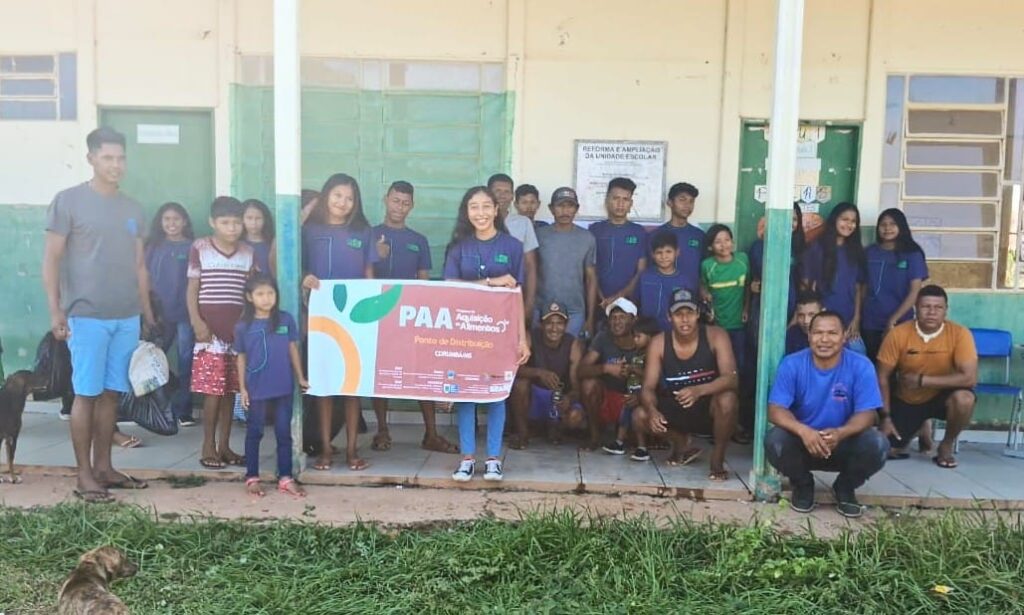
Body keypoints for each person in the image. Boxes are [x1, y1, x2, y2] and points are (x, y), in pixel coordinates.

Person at [43, 127, 155, 502]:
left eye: (121, 158)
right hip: (86, 315)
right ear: (91, 158)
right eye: (108, 157)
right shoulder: (69, 202)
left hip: (125, 315)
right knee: (86, 394)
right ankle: (84, 474)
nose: (116, 165)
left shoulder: (133, 208)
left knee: (112, 394)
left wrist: (145, 312)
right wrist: (56, 309)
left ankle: (105, 467)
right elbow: (52, 259)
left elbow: (140, 265)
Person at [444, 186, 531, 482]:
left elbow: (518, 295)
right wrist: (492, 282)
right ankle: (467, 458)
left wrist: (522, 337)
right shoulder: (458, 249)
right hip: (466, 332)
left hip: (501, 333)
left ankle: (493, 459)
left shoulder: (513, 247)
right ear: (466, 213)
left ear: (496, 210)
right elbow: (451, 291)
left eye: (485, 206)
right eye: (473, 207)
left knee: (496, 394)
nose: (479, 213)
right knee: (466, 395)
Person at [766, 309, 889, 517]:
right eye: (817, 333)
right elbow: (775, 410)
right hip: (804, 443)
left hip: (842, 442)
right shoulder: (792, 363)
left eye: (832, 333)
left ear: (844, 337)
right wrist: (804, 431)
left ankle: (845, 487)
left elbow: (868, 414)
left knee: (878, 444)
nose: (824, 339)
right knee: (774, 440)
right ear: (809, 336)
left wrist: (841, 433)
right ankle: (803, 485)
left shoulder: (861, 365)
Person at [369, 180, 457, 455]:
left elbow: (424, 283)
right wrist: (375, 254)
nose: (400, 207)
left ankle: (431, 433)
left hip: (410, 318)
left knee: (423, 370)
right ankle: (382, 430)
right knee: (379, 373)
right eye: (396, 200)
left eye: (406, 202)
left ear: (412, 206)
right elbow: (362, 274)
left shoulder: (418, 241)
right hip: (378, 316)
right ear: (386, 200)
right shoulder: (370, 235)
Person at [302, 173, 379, 472]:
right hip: (320, 317)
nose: (342, 203)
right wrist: (304, 278)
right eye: (337, 196)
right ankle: (324, 450)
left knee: (352, 386)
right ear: (325, 196)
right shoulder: (310, 229)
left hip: (354, 317)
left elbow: (369, 273)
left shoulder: (363, 230)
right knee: (323, 387)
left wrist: (371, 316)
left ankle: (350, 451)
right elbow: (295, 265)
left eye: (349, 198)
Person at [635, 288, 739, 480]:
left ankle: (717, 459)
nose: (685, 319)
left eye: (689, 313)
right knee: (640, 415)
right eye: (678, 314)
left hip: (708, 406)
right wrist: (652, 410)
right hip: (677, 403)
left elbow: (732, 378)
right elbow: (648, 387)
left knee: (728, 399)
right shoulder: (659, 343)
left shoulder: (716, 335)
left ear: (698, 314)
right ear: (669, 317)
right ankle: (680, 442)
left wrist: (699, 390)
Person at [876, 285, 978, 468]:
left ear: (946, 310)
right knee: (885, 450)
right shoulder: (898, 334)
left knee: (965, 398)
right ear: (915, 307)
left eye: (938, 307)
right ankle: (920, 428)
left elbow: (969, 378)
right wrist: (886, 417)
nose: (932, 312)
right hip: (908, 400)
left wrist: (923, 381)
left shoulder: (960, 334)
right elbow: (882, 377)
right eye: (926, 307)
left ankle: (945, 445)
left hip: (942, 398)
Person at [187, 196, 254, 470]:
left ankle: (225, 446)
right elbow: (192, 289)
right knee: (211, 393)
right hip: (209, 335)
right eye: (225, 223)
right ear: (212, 222)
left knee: (230, 392)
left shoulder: (248, 252)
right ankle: (208, 446)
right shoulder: (200, 248)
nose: (232, 228)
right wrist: (196, 322)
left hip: (236, 334)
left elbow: (249, 292)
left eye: (237, 223)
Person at [235, 274, 309, 497]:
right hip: (256, 386)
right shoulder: (243, 326)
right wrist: (242, 388)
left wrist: (300, 377)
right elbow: (240, 357)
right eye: (260, 294)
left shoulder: (285, 320)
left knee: (284, 433)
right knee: (254, 431)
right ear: (249, 297)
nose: (266, 299)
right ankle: (252, 477)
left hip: (283, 385)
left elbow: (292, 349)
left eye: (270, 293)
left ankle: (285, 478)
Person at [145, 202, 197, 426]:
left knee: (186, 362)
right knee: (151, 360)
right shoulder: (153, 246)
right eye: (167, 219)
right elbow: (144, 279)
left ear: (184, 221)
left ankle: (183, 410)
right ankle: (146, 407)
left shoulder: (194, 247)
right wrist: (147, 311)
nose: (171, 224)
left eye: (176, 219)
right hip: (159, 314)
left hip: (186, 313)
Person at [508, 302, 585, 449]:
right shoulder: (531, 337)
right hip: (536, 396)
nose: (554, 328)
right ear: (541, 324)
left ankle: (554, 429)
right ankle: (523, 435)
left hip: (558, 397)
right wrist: (539, 373)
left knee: (576, 418)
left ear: (566, 324)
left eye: (559, 323)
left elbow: (576, 387)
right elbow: (512, 369)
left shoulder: (573, 344)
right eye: (549, 323)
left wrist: (569, 398)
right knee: (520, 384)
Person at [862, 208, 928, 361]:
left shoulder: (912, 254)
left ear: (901, 227)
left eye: (892, 224)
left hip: (900, 322)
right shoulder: (869, 252)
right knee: (873, 365)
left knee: (898, 367)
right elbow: (862, 287)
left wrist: (893, 320)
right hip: (871, 321)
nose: (887, 228)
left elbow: (914, 292)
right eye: (883, 224)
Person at [534, 187, 597, 338]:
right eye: (560, 205)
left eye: (570, 206)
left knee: (572, 355)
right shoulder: (538, 236)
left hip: (574, 310)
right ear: (551, 209)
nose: (565, 211)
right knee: (541, 355)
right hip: (542, 309)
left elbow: (591, 279)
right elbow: (530, 272)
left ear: (577, 209)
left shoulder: (587, 238)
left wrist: (590, 318)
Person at [578, 298, 641, 449]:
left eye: (622, 317)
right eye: (613, 318)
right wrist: (606, 368)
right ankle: (595, 437)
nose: (616, 322)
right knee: (588, 385)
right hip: (608, 399)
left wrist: (633, 372)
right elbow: (581, 370)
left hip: (634, 400)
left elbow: (656, 377)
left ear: (633, 320)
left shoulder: (642, 341)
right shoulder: (603, 337)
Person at [802, 203, 866, 345]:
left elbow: (857, 288)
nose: (849, 224)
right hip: (822, 321)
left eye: (853, 221)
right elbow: (806, 285)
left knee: (857, 356)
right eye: (844, 219)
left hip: (848, 322)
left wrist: (856, 319)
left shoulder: (856, 251)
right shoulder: (817, 248)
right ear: (834, 220)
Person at [601, 316, 659, 461]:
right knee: (624, 418)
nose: (635, 339)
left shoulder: (652, 356)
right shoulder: (637, 353)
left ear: (651, 338)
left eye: (638, 336)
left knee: (635, 419)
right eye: (634, 336)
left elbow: (651, 376)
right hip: (631, 391)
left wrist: (634, 370)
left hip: (643, 395)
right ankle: (619, 442)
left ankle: (642, 447)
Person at [589, 177, 648, 315]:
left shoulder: (639, 232)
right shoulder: (594, 230)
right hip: (598, 302)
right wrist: (601, 297)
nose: (620, 204)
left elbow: (641, 271)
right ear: (607, 200)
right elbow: (590, 270)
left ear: (631, 203)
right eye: (616, 198)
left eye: (625, 199)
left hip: (629, 304)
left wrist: (618, 297)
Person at [488, 173, 538, 323]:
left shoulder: (523, 223)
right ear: (488, 193)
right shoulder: (478, 221)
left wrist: (529, 303)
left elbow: (531, 266)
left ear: (512, 197)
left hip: (513, 296)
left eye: (507, 192)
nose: (502, 196)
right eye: (498, 191)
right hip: (483, 295)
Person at [700, 224, 750, 374]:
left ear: (732, 242)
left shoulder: (742, 259)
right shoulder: (708, 266)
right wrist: (704, 293)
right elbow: (702, 285)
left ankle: (738, 394)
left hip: (739, 323)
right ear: (710, 247)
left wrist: (746, 308)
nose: (724, 245)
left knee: (739, 362)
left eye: (727, 240)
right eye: (718, 242)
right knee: (719, 362)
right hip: (718, 323)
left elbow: (748, 286)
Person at [654, 182, 705, 292]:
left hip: (691, 298)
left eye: (691, 201)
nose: (687, 205)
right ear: (670, 202)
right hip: (662, 293)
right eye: (682, 200)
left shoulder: (699, 235)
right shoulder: (656, 234)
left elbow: (704, 270)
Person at [639, 232, 691, 332]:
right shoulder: (645, 277)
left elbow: (687, 310)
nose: (664, 256)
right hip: (647, 331)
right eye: (659, 252)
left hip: (673, 331)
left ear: (677, 252)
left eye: (668, 251)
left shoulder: (684, 281)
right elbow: (636, 302)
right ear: (652, 254)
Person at [785, 290, 824, 355]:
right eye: (801, 315)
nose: (806, 321)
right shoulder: (792, 334)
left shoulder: (833, 334)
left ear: (823, 313)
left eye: (811, 315)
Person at [242, 198, 274, 276]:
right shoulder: (237, 244)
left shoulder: (273, 244)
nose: (254, 223)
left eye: (258, 218)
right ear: (242, 219)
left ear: (265, 220)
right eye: (249, 218)